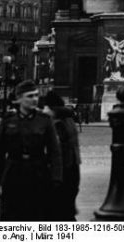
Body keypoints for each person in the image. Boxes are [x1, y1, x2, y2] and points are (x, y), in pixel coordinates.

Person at [0, 80, 63, 220]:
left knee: (37, 218)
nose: (35, 99)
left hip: (38, 175)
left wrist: (56, 179)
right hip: (13, 175)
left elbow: (55, 152)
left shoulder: (45, 120)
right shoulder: (9, 120)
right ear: (19, 99)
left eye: (36, 95)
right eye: (30, 96)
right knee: (11, 218)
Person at [42, 91, 81, 221]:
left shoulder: (57, 123)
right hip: (73, 168)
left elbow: (56, 150)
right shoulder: (68, 119)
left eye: (46, 107)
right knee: (67, 212)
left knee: (58, 213)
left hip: (63, 171)